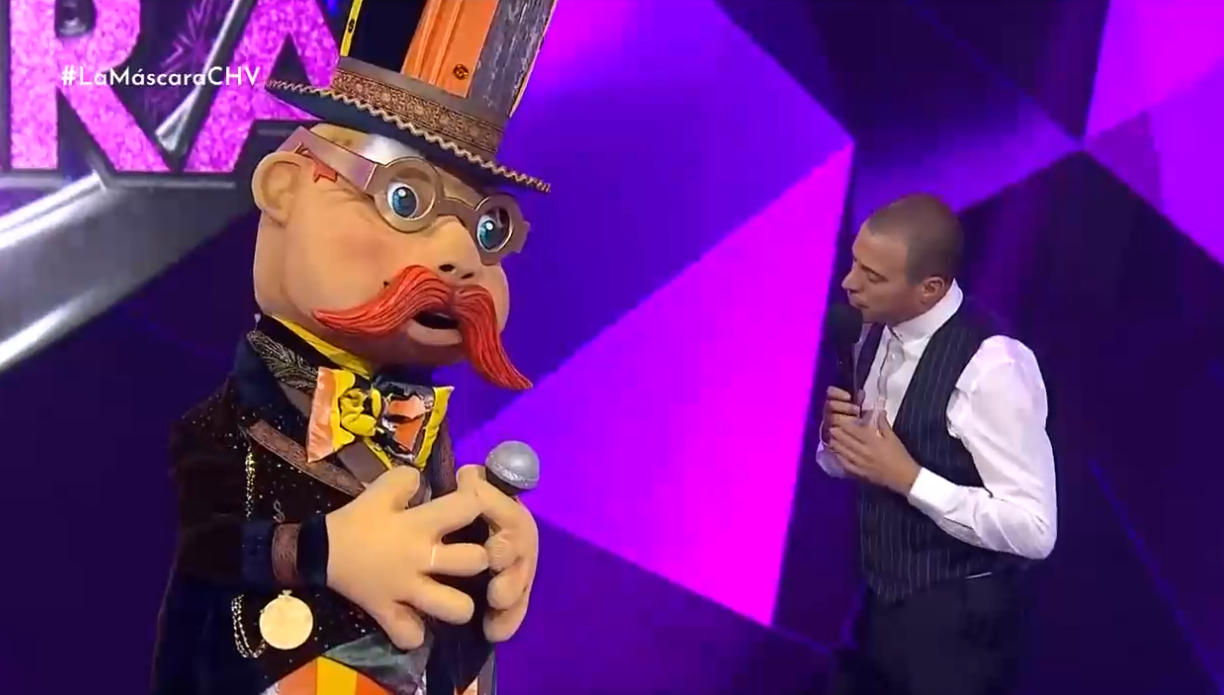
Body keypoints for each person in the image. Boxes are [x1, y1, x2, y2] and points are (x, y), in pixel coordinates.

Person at [149, 2, 556, 694]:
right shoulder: (231, 421)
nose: (461, 257)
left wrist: (493, 557)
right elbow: (208, 545)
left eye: (488, 229)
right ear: (285, 189)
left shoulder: (420, 421)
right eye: (406, 200)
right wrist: (326, 551)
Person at [818, 194, 1057, 695]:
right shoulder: (869, 328)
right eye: (855, 263)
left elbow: (1036, 530)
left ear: (929, 289)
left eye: (872, 276)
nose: (849, 283)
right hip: (876, 605)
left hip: (959, 631)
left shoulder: (993, 368)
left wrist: (910, 479)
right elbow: (861, 462)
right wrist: (838, 443)